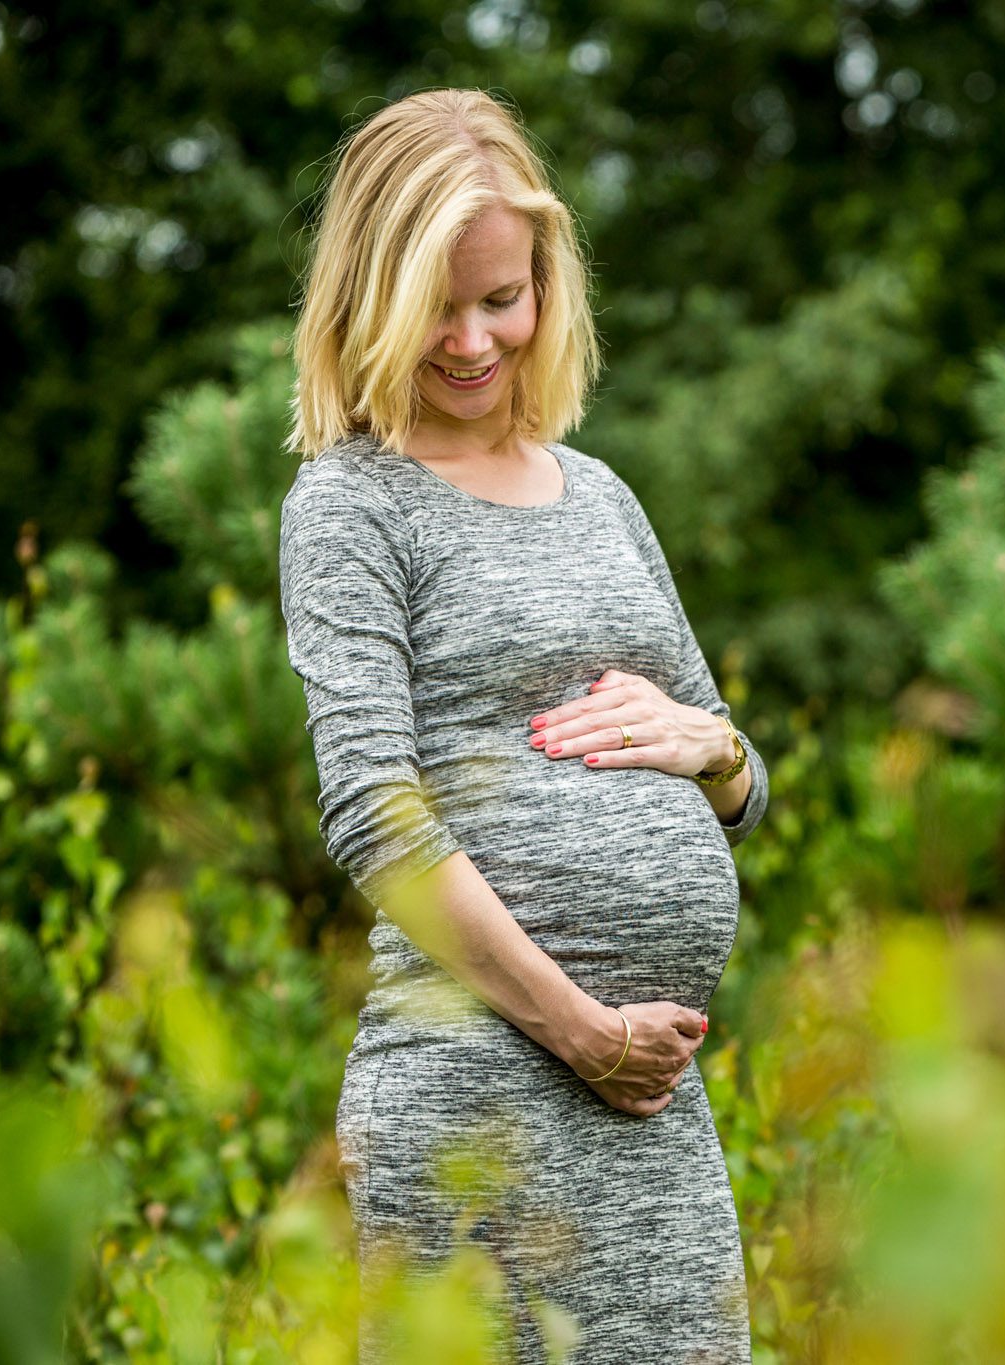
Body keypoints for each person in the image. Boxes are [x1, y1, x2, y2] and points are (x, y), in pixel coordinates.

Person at [277, 87, 766, 1364]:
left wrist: (717, 754)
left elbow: (729, 768)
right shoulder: (351, 508)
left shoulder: (599, 496)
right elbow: (373, 815)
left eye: (502, 296)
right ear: (368, 297)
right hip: (477, 1102)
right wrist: (580, 1031)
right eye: (436, 304)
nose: (473, 339)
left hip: (652, 1112)